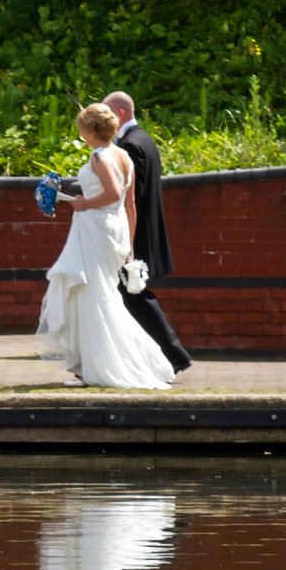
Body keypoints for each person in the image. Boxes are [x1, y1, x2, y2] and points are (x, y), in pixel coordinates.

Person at [37, 103, 175, 389]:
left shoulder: (100, 156)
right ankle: (96, 365)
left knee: (92, 298)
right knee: (103, 297)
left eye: (81, 129)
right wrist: (129, 246)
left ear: (88, 131)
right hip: (116, 232)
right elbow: (130, 204)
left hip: (96, 230)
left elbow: (112, 193)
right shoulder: (123, 155)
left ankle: (96, 368)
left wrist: (80, 203)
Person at [104, 91, 193, 373]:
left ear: (119, 114)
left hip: (134, 236)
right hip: (143, 233)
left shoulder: (129, 146)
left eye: (107, 115)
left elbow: (130, 199)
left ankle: (174, 355)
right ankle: (154, 357)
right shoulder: (144, 140)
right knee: (131, 295)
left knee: (135, 296)